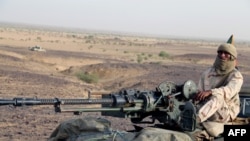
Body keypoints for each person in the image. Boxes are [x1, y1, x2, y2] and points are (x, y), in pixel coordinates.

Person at [179, 35, 244, 140]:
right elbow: (200, 91)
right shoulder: (208, 73)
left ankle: (196, 119)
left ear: (232, 57)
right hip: (208, 109)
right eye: (220, 53)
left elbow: (228, 91)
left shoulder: (236, 76)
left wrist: (210, 92)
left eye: (226, 54)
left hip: (226, 113)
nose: (222, 56)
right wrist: (196, 96)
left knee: (217, 96)